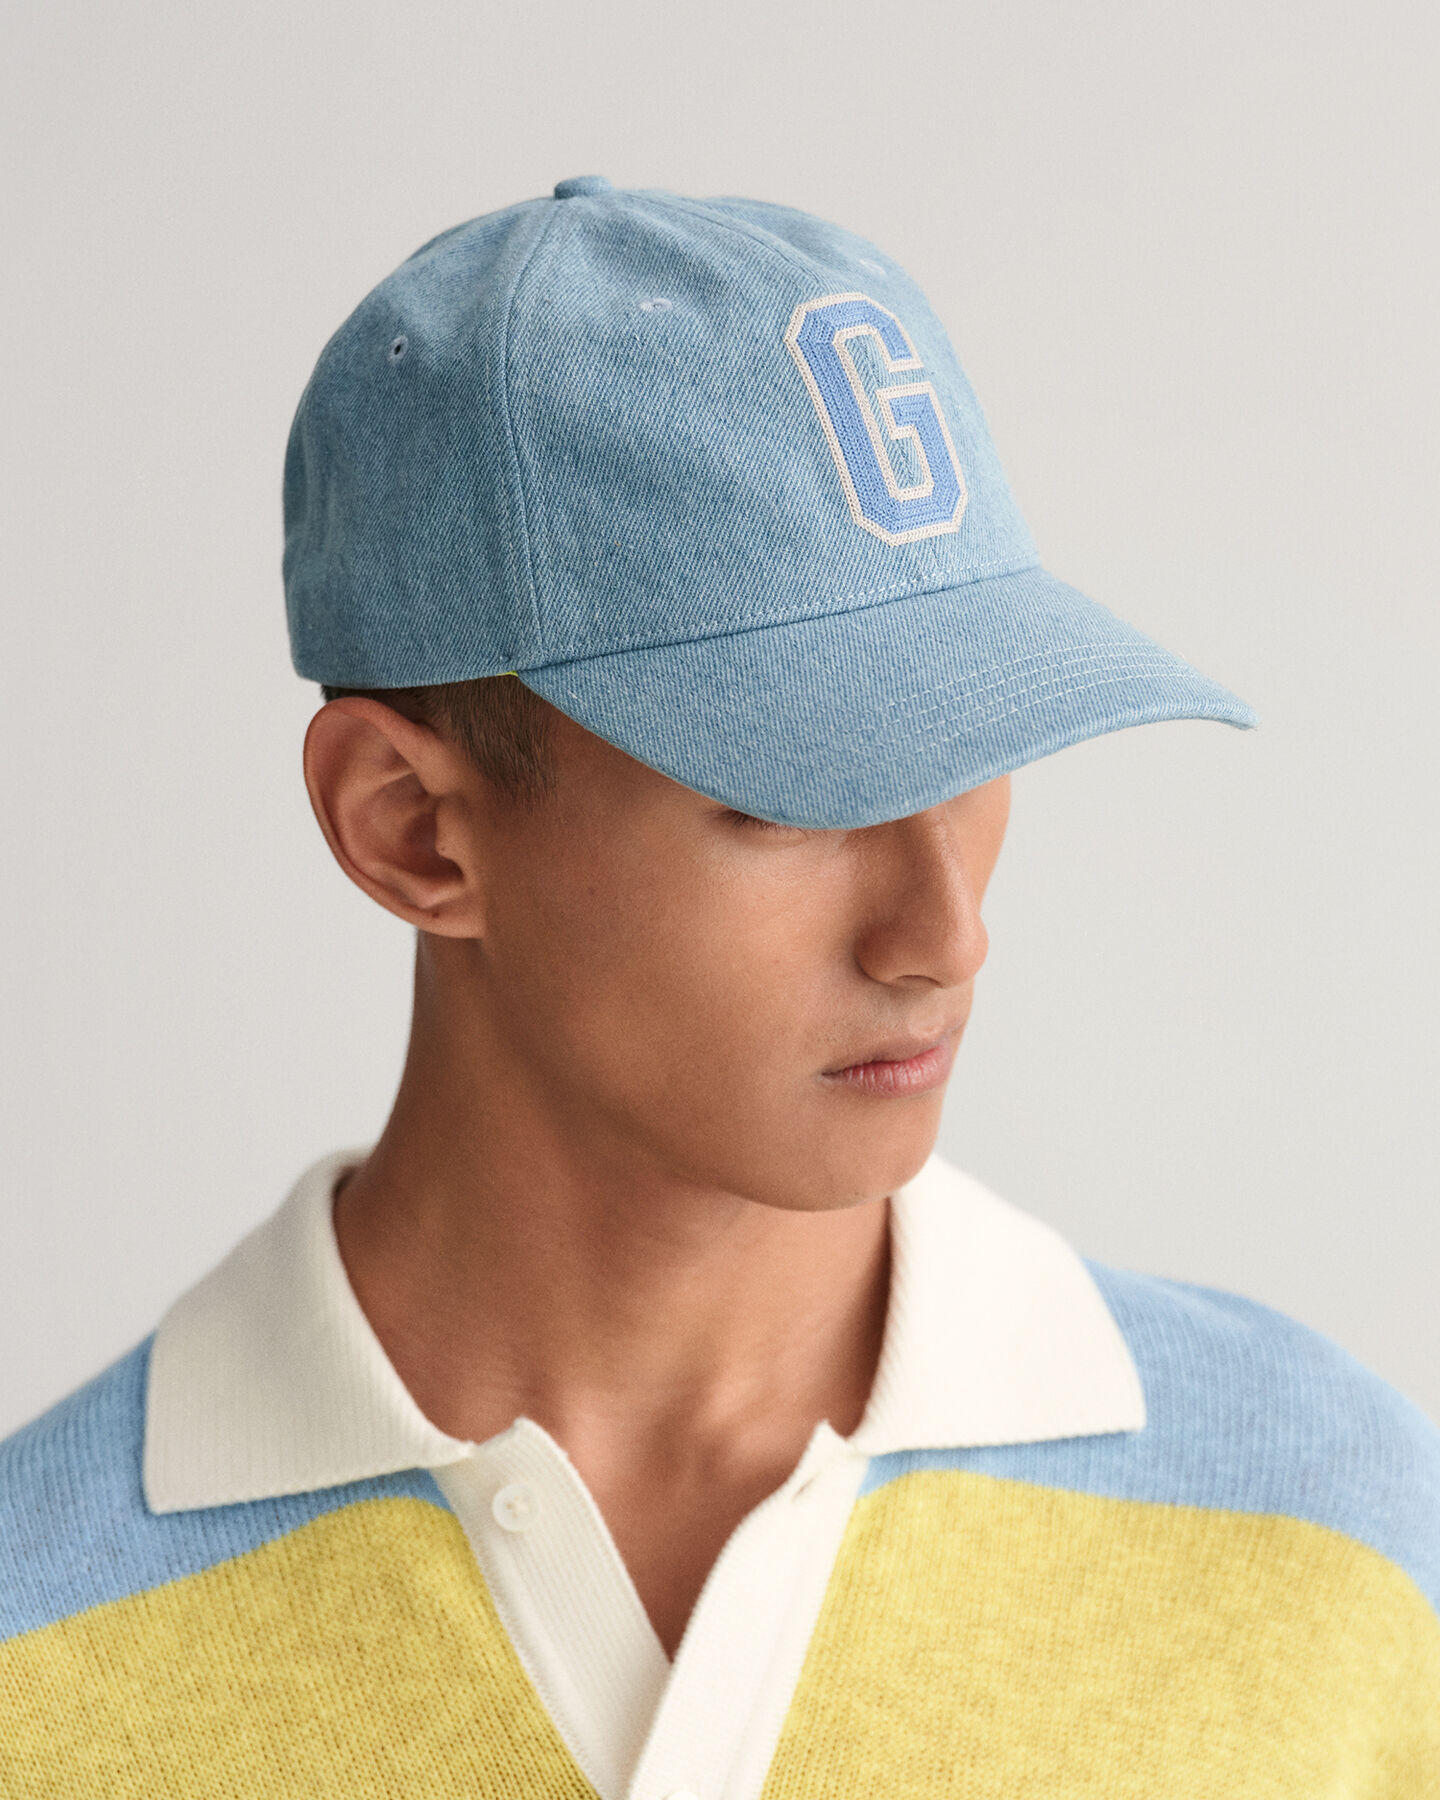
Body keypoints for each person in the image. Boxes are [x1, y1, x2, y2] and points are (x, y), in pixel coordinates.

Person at [2, 175, 1436, 1798]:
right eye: (794, 795)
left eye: (979, 754)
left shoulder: (1346, 1550)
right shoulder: (33, 1667)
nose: (944, 933)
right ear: (411, 829)